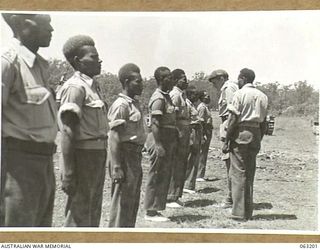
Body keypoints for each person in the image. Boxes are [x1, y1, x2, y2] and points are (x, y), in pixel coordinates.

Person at [1, 13, 57, 227]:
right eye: (46, 22)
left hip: (44, 162)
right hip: (17, 164)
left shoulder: (41, 66)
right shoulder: (7, 62)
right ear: (22, 23)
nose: (51, 29)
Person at [57, 35, 109, 227]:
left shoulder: (93, 87)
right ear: (79, 62)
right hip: (83, 155)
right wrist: (69, 172)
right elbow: (68, 131)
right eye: (94, 57)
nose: (99, 60)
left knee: (92, 209)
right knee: (78, 212)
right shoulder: (75, 88)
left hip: (97, 154)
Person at [223, 68, 268, 221]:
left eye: (239, 78)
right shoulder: (263, 96)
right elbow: (264, 123)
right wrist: (258, 138)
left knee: (238, 173)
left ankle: (238, 212)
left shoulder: (239, 94)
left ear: (243, 78)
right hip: (255, 133)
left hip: (241, 132)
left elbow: (233, 120)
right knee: (250, 172)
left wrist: (228, 139)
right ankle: (248, 212)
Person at [107, 63, 146, 227]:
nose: (141, 85)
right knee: (122, 201)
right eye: (138, 81)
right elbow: (114, 136)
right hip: (124, 155)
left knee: (131, 200)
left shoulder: (133, 104)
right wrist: (116, 166)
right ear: (127, 81)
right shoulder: (121, 105)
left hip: (134, 156)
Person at [144, 67, 177, 222]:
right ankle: (150, 211)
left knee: (164, 174)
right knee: (156, 174)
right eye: (169, 77)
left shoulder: (167, 97)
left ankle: (156, 208)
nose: (172, 80)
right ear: (162, 79)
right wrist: (158, 144)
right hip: (159, 138)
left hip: (167, 138)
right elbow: (155, 123)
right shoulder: (158, 98)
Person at [208, 69, 238, 208]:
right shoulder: (230, 87)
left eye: (214, 82)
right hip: (227, 123)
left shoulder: (228, 88)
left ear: (221, 78)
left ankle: (231, 198)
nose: (214, 86)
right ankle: (232, 197)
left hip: (228, 123)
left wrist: (228, 133)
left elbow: (233, 111)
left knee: (230, 163)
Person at [166, 69, 191, 208]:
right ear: (175, 80)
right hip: (179, 129)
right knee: (176, 163)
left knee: (182, 162)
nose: (186, 81)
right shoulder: (175, 95)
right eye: (183, 79)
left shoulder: (182, 95)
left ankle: (176, 194)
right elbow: (172, 116)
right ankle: (170, 196)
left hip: (185, 128)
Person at [184, 86, 203, 193]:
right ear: (190, 94)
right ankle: (187, 184)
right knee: (190, 158)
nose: (196, 96)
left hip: (196, 131)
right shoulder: (186, 104)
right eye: (194, 94)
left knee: (195, 157)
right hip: (191, 131)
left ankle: (190, 184)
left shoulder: (192, 105)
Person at [196, 91, 213, 181]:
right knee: (202, 152)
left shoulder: (206, 107)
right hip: (205, 130)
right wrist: (203, 135)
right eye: (207, 96)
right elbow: (201, 122)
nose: (208, 98)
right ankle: (199, 175)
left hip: (208, 130)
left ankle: (201, 174)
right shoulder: (202, 108)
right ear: (202, 98)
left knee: (204, 152)